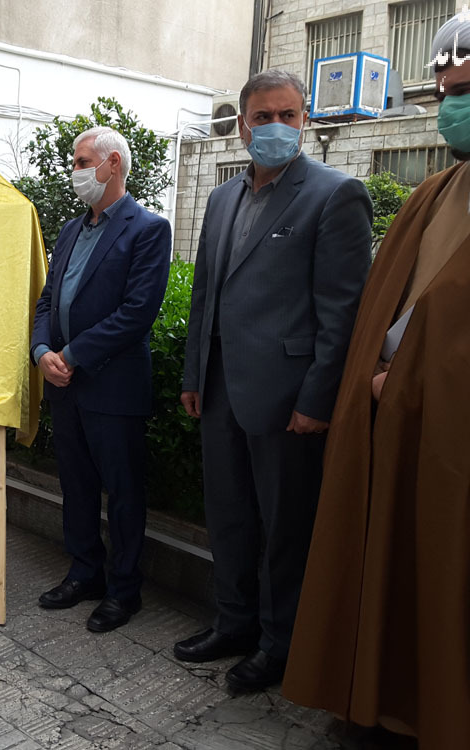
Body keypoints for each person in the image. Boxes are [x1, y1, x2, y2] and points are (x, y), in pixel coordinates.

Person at [283, 10, 470, 749]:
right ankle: (380, 709)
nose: (446, 109)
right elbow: (384, 309)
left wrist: (413, 384)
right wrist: (378, 379)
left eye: (461, 92)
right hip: (394, 428)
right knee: (392, 576)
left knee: (462, 586)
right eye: (440, 94)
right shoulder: (434, 193)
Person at [174, 70, 372, 692]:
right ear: (243, 126)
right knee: (229, 515)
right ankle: (233, 622)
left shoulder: (336, 195)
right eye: (264, 117)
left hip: (289, 399)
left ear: (305, 120)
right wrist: (193, 373)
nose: (277, 127)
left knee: (286, 527)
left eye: (289, 115)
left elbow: (343, 314)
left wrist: (317, 399)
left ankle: (280, 644)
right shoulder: (220, 199)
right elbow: (205, 295)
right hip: (219, 391)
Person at [31, 126, 171, 633]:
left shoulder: (148, 229)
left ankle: (123, 590)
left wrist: (71, 355)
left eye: (82, 161)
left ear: (113, 164)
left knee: (123, 491)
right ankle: (84, 572)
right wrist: (42, 352)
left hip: (113, 386)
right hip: (64, 384)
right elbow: (47, 302)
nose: (74, 170)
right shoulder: (71, 229)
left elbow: (137, 313)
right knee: (77, 485)